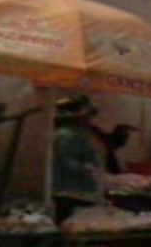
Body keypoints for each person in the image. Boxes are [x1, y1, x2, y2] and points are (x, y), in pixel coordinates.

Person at [53, 95, 102, 223]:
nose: (90, 120)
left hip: (80, 190)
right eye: (88, 116)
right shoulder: (67, 135)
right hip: (71, 191)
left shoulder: (79, 134)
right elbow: (68, 161)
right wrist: (88, 169)